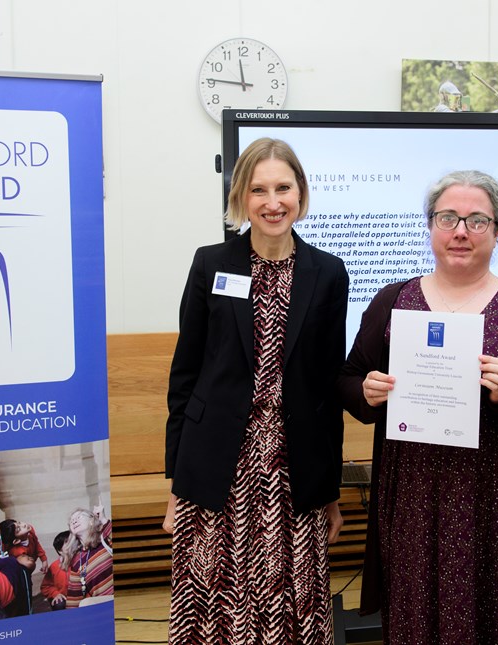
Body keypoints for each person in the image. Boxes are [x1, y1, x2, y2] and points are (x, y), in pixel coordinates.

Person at [338, 170, 498, 644]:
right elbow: (347, 379)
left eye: (477, 220)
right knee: (417, 617)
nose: (460, 231)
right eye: (447, 218)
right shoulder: (393, 301)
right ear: (430, 225)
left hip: (496, 501)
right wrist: (367, 393)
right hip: (413, 497)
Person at [164, 137, 349, 644]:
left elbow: (327, 388)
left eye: (283, 188)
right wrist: (177, 483)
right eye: (259, 189)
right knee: (214, 608)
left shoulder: (328, 273)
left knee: (293, 609)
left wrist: (329, 490)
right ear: (242, 198)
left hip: (294, 468)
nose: (273, 202)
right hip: (216, 464)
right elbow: (185, 378)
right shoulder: (210, 264)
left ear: (301, 193)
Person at [61, 506, 113, 608]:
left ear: (91, 521)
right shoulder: (77, 559)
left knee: (87, 604)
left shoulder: (105, 538)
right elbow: (74, 597)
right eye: (72, 521)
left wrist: (103, 520)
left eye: (79, 517)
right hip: (105, 605)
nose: (74, 521)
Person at [40, 531, 71, 611]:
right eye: (68, 543)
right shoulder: (55, 566)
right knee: (59, 604)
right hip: (65, 600)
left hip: (82, 600)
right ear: (60, 551)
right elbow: (45, 586)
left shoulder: (83, 561)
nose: (73, 545)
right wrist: (55, 594)